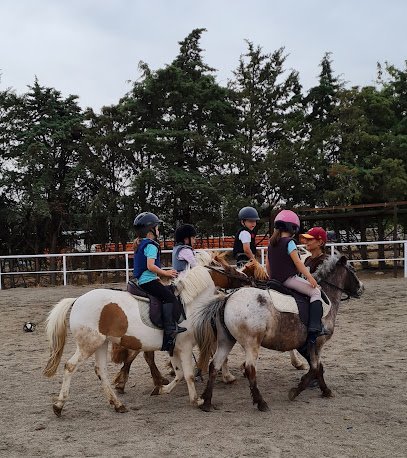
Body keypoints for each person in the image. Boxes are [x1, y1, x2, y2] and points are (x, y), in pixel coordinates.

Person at [266, 210, 328, 344]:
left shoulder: (271, 243)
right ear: (293, 227)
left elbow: (268, 265)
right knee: (315, 292)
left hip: (274, 280)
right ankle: (314, 328)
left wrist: (271, 278)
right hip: (289, 280)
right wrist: (310, 278)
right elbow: (298, 263)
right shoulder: (290, 242)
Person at [133, 212, 186, 352]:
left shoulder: (141, 244)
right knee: (169, 298)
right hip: (148, 281)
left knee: (166, 291)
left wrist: (158, 277)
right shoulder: (151, 245)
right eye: (156, 227)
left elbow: (146, 267)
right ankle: (170, 328)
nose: (158, 230)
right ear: (149, 230)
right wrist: (166, 273)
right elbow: (150, 266)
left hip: (145, 279)